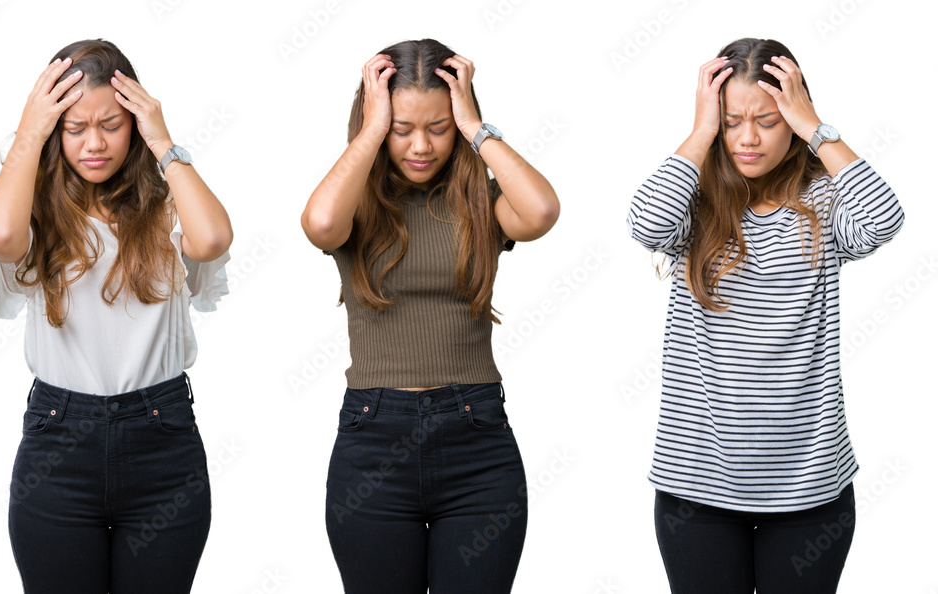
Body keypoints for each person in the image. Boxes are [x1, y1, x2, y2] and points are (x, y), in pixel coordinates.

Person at [627, 37, 904, 593]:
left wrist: (815, 126)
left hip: (810, 487)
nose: (748, 138)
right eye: (732, 121)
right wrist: (701, 131)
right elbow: (647, 224)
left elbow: (884, 219)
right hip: (698, 485)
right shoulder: (694, 201)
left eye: (769, 121)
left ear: (793, 123)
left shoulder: (825, 204)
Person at [0, 39, 232, 593]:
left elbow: (211, 240)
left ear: (133, 122)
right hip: (58, 446)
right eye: (75, 128)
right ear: (54, 132)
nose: (95, 143)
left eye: (112, 125)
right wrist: (29, 132)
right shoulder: (34, 208)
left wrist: (162, 141)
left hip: (163, 445)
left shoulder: (167, 203)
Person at [301, 38, 559, 594]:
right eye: (402, 129)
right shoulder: (355, 202)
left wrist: (474, 127)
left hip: (477, 441)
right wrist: (372, 130)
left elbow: (540, 211)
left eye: (438, 128)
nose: (421, 146)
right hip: (374, 442)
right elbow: (320, 224)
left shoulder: (481, 201)